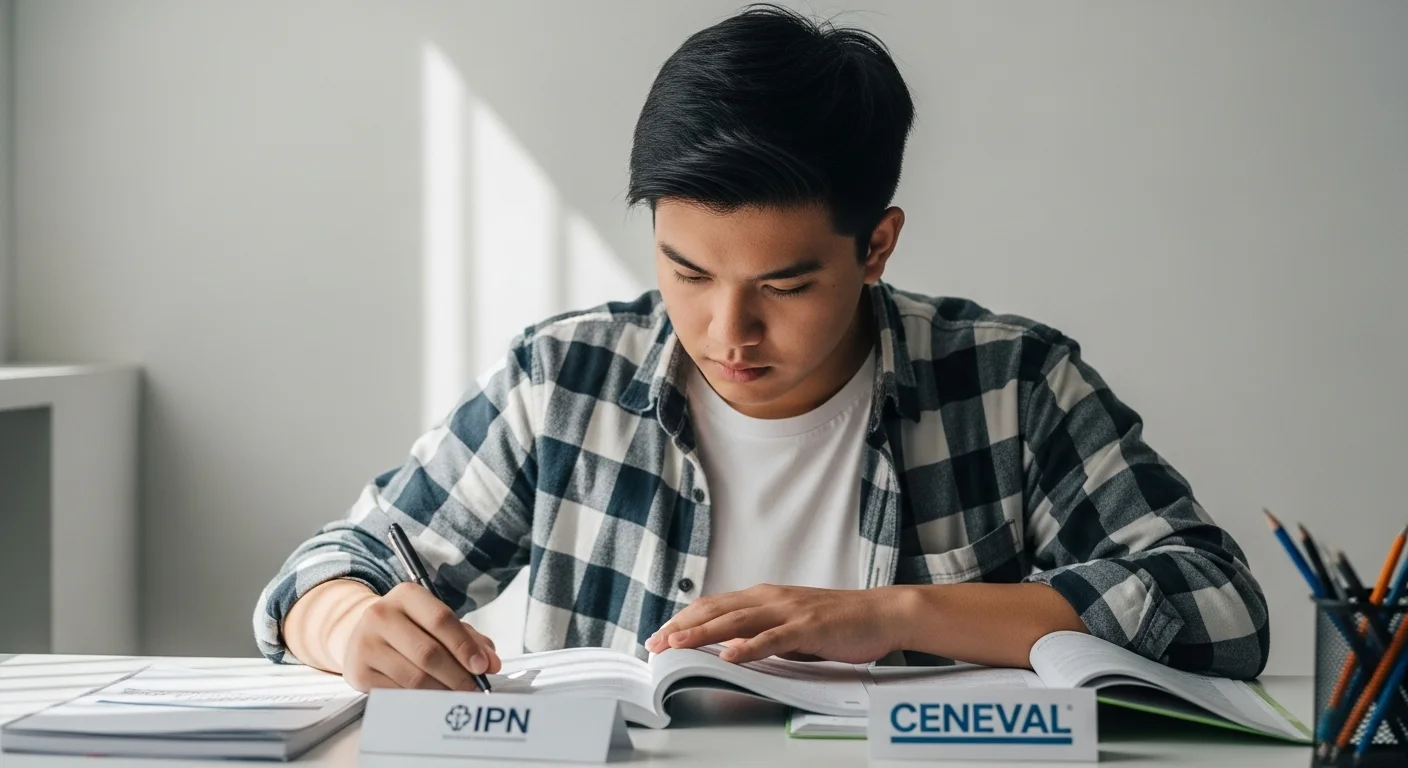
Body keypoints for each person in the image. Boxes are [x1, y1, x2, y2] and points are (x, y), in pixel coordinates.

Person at [254, 4, 1268, 694]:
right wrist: (348, 625)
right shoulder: (564, 381)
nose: (723, 333)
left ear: (877, 244)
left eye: (782, 286)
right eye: (687, 273)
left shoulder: (1010, 384)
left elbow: (1216, 606)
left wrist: (895, 615)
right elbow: (327, 570)